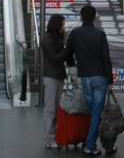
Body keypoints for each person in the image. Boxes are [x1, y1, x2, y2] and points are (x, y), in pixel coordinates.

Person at [66, 5, 115, 157]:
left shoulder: (75, 33)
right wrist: (110, 78)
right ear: (94, 17)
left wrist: (74, 65)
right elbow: (105, 57)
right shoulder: (100, 34)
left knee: (94, 111)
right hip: (100, 76)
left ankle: (102, 145)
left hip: (85, 76)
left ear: (81, 17)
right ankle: (91, 145)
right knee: (96, 113)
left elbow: (68, 53)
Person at [42, 14, 71, 150]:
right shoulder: (47, 39)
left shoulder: (58, 39)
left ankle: (56, 136)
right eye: (63, 24)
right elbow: (54, 57)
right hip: (51, 75)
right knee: (50, 109)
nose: (64, 27)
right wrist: (67, 52)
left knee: (56, 108)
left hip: (58, 75)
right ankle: (49, 138)